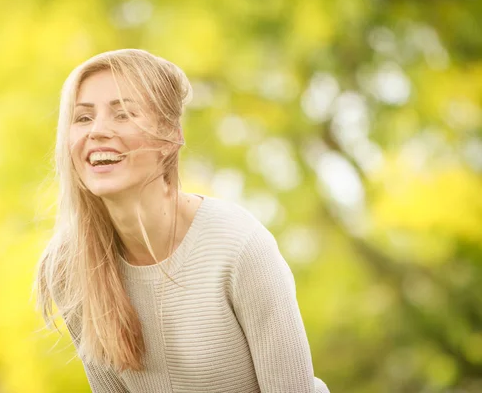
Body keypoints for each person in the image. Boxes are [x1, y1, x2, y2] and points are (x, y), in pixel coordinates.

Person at [34, 48, 329, 393]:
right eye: (83, 118)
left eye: (124, 114)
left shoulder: (239, 246)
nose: (97, 130)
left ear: (171, 136)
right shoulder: (69, 266)